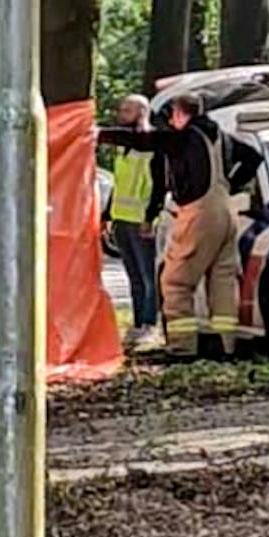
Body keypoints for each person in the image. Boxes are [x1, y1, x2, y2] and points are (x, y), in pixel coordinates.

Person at [98, 94, 262, 356]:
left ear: (179, 113)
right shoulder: (219, 136)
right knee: (222, 280)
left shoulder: (185, 136)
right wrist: (231, 184)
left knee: (175, 282)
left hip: (199, 212)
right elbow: (253, 157)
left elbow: (144, 140)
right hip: (226, 211)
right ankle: (226, 343)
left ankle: (182, 346)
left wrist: (100, 134)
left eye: (172, 114)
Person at [104, 95, 165, 352]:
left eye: (128, 110)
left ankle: (150, 324)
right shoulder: (123, 143)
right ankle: (138, 322)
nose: (121, 113)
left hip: (141, 220)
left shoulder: (151, 142)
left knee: (147, 275)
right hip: (122, 219)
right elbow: (120, 182)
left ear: (142, 112)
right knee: (134, 276)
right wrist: (107, 215)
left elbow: (158, 185)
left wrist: (150, 218)